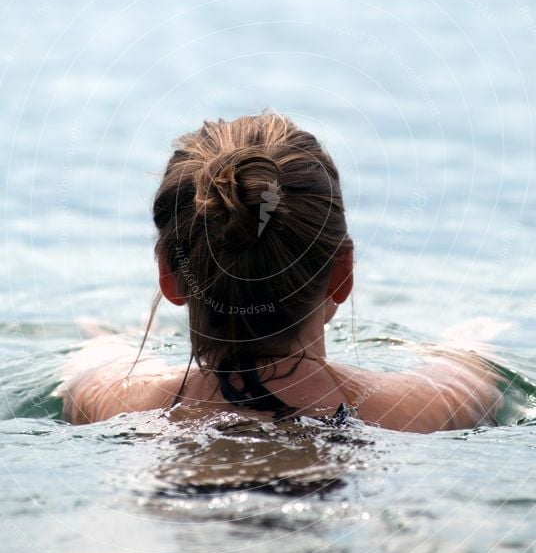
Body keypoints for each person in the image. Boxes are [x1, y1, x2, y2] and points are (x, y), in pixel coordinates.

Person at [57, 113, 503, 432]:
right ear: (342, 274)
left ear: (168, 277)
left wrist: (106, 340)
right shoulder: (417, 410)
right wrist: (469, 343)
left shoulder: (114, 402)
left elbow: (92, 364)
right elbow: (469, 370)